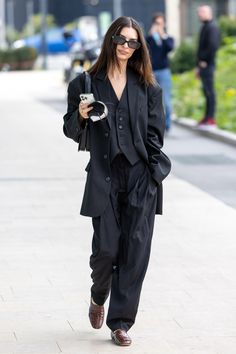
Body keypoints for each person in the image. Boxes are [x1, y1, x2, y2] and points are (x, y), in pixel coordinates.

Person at [63, 16, 171, 347]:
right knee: (106, 250)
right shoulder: (85, 82)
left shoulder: (148, 86)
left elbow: (155, 136)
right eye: (121, 40)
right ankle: (99, 295)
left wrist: (155, 173)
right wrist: (79, 118)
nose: (126, 47)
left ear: (139, 47)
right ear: (110, 40)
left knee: (134, 251)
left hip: (140, 176)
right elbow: (70, 130)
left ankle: (120, 322)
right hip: (104, 175)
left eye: (133, 42)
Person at [146, 12, 174, 132]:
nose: (158, 25)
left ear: (164, 24)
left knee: (166, 100)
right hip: (151, 72)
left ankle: (167, 124)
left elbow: (170, 48)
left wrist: (162, 35)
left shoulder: (168, 38)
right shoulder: (150, 38)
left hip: (164, 71)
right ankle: (152, 124)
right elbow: (145, 49)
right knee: (150, 99)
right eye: (156, 23)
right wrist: (151, 35)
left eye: (160, 23)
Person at [196, 5, 220, 127]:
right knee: (206, 92)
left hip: (208, 65)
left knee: (210, 92)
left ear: (208, 13)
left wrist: (204, 60)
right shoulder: (205, 27)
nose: (199, 14)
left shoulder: (212, 27)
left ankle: (211, 118)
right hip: (203, 65)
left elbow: (213, 46)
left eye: (201, 12)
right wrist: (198, 66)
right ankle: (207, 117)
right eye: (198, 12)